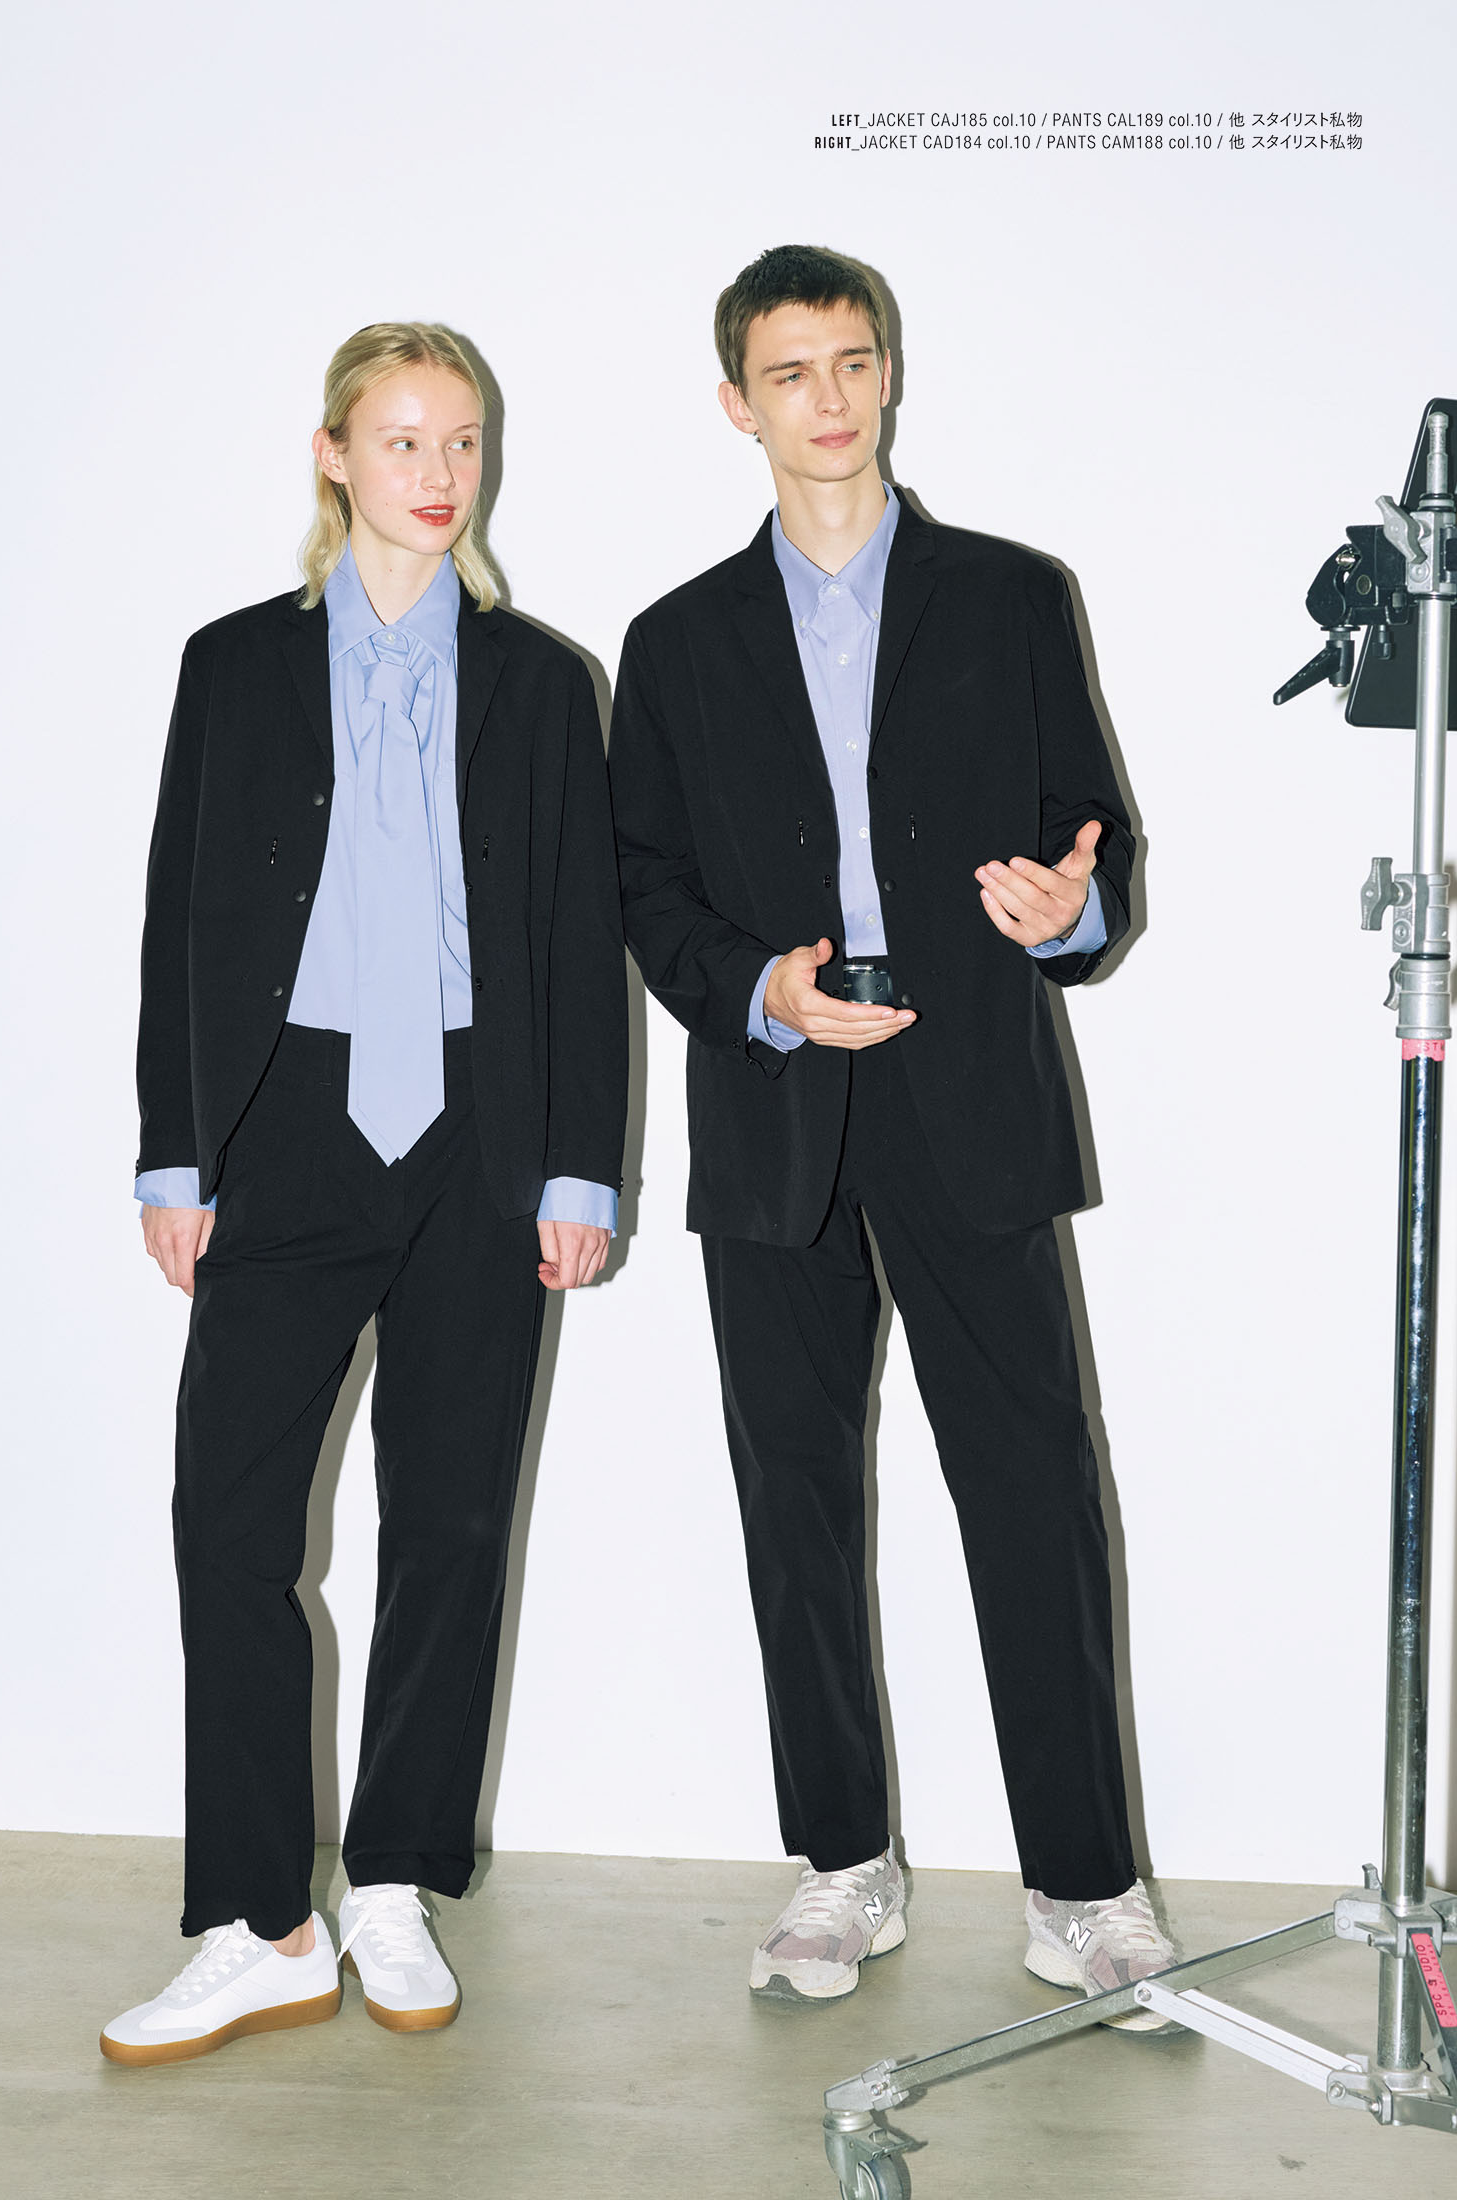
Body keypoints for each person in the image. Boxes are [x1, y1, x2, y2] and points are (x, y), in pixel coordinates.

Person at [607, 245, 1176, 2022]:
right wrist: (759, 988)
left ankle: (1084, 1886)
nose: (830, 397)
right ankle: (841, 1863)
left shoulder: (1009, 595)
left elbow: (1096, 842)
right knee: (793, 1500)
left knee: (1032, 1492)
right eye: (790, 371)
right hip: (777, 1107)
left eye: (852, 361)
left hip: (969, 1102)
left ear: (887, 373)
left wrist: (1068, 911)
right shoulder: (675, 639)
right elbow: (643, 888)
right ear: (737, 404)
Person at [101, 323, 628, 2065]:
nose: (436, 470)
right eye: (400, 439)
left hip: (485, 1127)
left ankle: (394, 1879)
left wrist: (578, 1164)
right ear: (332, 454)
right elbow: (180, 913)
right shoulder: (235, 664)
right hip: (289, 1123)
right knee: (229, 1525)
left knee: (453, 1521)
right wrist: (176, 1149)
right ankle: (261, 1921)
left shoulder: (542, 682)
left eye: (460, 439)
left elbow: (579, 938)